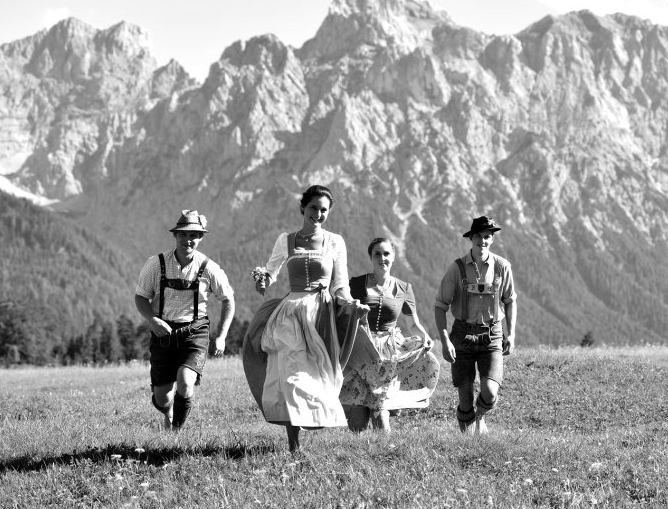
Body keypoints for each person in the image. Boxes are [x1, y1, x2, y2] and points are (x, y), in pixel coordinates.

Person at [243, 184, 368, 453]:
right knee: (290, 376)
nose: (319, 214)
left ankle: (313, 419)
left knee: (319, 377)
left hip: (321, 315)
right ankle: (293, 445)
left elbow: (340, 285)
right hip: (291, 313)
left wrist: (350, 304)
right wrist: (262, 280)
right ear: (303, 208)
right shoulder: (285, 240)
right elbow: (271, 271)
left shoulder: (335, 242)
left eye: (324, 210)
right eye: (314, 208)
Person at [134, 210, 235, 430]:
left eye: (194, 235)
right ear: (175, 235)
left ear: (200, 238)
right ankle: (167, 411)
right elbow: (141, 297)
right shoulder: (156, 264)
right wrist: (152, 320)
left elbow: (228, 300)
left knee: (185, 381)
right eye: (183, 234)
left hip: (195, 332)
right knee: (162, 398)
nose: (188, 240)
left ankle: (176, 433)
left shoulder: (209, 268)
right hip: (163, 333)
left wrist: (221, 336)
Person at [339, 238, 439, 432]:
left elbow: (413, 323)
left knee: (380, 405)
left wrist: (425, 337)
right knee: (358, 414)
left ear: (393, 257)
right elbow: (343, 313)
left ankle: (383, 451)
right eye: (377, 253)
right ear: (370, 257)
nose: (382, 258)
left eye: (386, 254)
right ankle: (355, 455)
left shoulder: (404, 288)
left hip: (388, 351)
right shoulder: (356, 284)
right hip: (361, 347)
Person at [434, 216, 517, 435]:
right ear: (471, 238)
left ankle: (479, 419)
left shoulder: (502, 267)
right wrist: (445, 342)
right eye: (479, 236)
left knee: (490, 391)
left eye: (487, 236)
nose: (483, 240)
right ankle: (467, 442)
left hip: (492, 333)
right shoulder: (457, 268)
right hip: (462, 335)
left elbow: (510, 301)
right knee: (465, 399)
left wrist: (512, 334)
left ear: (493, 239)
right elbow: (439, 306)